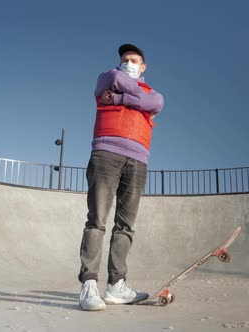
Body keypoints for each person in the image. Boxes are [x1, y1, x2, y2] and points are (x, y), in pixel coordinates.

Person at [78, 44, 164, 311]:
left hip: (138, 160)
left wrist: (116, 99)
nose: (129, 63)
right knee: (97, 221)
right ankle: (89, 284)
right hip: (106, 153)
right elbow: (116, 80)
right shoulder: (107, 78)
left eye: (134, 60)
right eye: (125, 59)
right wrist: (132, 94)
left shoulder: (152, 93)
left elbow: (156, 103)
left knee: (125, 226)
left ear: (143, 66)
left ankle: (116, 286)